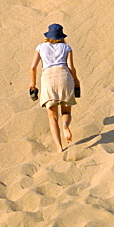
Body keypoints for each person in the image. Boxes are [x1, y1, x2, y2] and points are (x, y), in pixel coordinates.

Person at [30, 24, 80, 153]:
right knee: (66, 112)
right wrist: (76, 81)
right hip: (64, 77)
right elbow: (71, 67)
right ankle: (65, 126)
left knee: (52, 118)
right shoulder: (66, 47)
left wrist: (33, 84)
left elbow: (33, 67)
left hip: (48, 79)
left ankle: (59, 147)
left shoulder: (40, 47)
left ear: (48, 36)